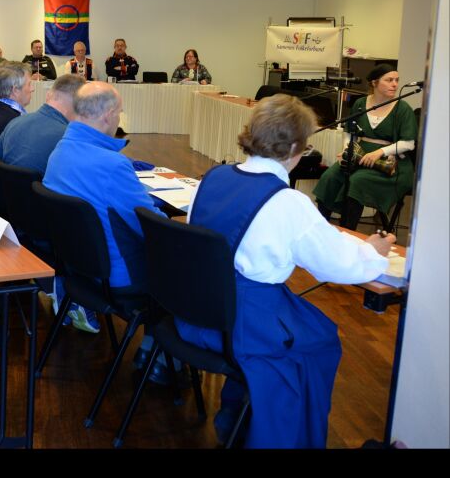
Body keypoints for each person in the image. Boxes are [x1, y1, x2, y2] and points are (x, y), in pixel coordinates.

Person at [179, 94, 393, 448]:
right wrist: (373, 252)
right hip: (244, 323)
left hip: (196, 311)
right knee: (320, 341)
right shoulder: (288, 202)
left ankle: (236, 417)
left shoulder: (211, 178)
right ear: (296, 146)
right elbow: (337, 263)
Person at [43, 82, 163, 333]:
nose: (120, 118)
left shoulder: (59, 151)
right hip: (116, 278)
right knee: (187, 268)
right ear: (108, 116)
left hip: (78, 269)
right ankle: (155, 358)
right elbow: (153, 228)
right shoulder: (113, 165)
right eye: (120, 112)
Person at [313, 64, 416, 229]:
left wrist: (379, 152)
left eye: (397, 80)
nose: (395, 84)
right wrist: (348, 150)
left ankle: (348, 233)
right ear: (374, 83)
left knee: (357, 181)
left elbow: (409, 143)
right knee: (330, 176)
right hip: (359, 156)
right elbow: (350, 132)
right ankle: (319, 229)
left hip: (390, 164)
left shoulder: (402, 109)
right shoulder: (360, 103)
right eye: (389, 80)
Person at [0, 74, 84, 173]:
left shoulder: (15, 122)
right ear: (79, 105)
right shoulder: (70, 138)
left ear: (48, 95)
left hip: (5, 187)